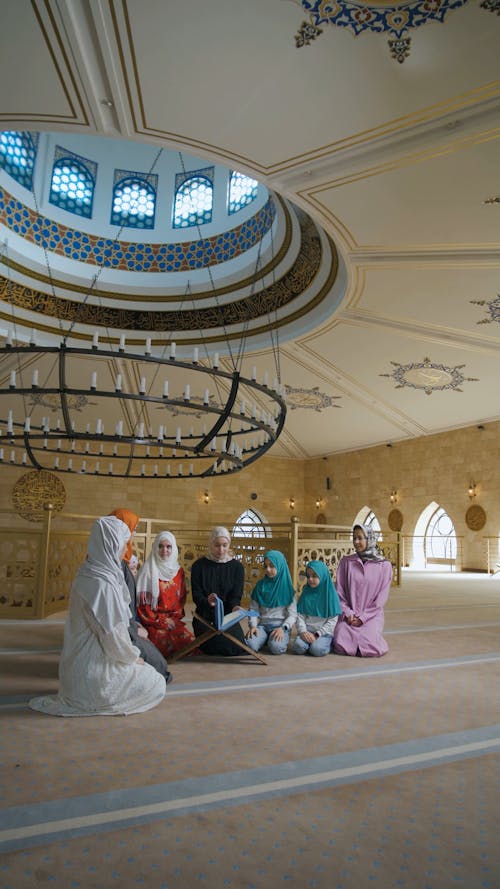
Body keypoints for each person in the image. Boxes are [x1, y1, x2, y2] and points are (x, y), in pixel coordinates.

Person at [29, 516, 166, 716]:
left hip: (74, 671)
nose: (123, 550)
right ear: (111, 544)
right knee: (156, 682)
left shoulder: (89, 571)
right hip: (92, 675)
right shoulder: (102, 584)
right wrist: (132, 657)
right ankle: (96, 700)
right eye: (122, 544)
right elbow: (112, 637)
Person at [109, 509, 172, 683]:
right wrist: (135, 628)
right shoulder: (113, 564)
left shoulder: (125, 559)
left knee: (161, 662)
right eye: (133, 528)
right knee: (159, 667)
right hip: (119, 630)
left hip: (130, 624)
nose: (134, 533)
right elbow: (114, 609)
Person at [332, 523, 392, 657]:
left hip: (372, 616)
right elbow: (339, 593)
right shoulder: (346, 562)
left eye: (360, 538)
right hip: (349, 616)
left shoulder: (384, 565)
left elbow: (381, 599)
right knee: (339, 639)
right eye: (354, 538)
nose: (356, 542)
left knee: (372, 646)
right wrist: (348, 613)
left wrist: (363, 617)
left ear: (369, 538)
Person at [136, 530, 194, 658]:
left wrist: (173, 618)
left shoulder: (178, 572)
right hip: (152, 621)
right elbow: (142, 606)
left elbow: (181, 600)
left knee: (188, 643)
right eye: (160, 546)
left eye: (169, 547)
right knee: (161, 645)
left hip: (172, 620)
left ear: (173, 549)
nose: (164, 550)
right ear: (155, 547)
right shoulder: (147, 571)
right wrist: (161, 621)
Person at [191, 526, 246, 656]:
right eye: (217, 545)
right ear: (210, 544)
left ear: (229, 545)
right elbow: (196, 595)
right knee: (215, 643)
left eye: (224, 545)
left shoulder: (237, 567)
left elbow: (235, 597)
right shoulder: (199, 566)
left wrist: (235, 608)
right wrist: (207, 601)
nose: (221, 550)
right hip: (205, 617)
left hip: (227, 618)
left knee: (236, 646)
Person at [245, 550, 296, 655]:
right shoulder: (260, 586)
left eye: (272, 566)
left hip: (280, 626)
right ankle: (265, 637)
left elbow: (293, 615)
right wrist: (253, 626)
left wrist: (283, 628)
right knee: (250, 644)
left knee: (276, 648)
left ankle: (271, 639)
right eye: (266, 566)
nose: (268, 569)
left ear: (280, 566)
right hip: (262, 625)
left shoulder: (287, 589)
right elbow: (253, 610)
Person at [291, 560, 341, 656]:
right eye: (308, 576)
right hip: (307, 631)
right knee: (298, 647)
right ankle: (309, 643)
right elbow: (299, 616)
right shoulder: (306, 593)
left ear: (322, 576)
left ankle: (326, 644)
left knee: (316, 650)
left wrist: (317, 634)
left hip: (323, 633)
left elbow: (332, 621)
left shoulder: (330, 595)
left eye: (314, 576)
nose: (310, 579)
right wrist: (303, 632)